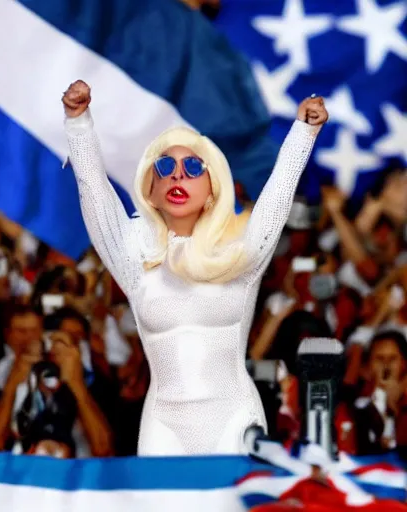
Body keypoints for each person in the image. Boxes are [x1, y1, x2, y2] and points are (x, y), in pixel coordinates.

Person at [61, 80, 328, 456]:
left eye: (192, 167)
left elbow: (278, 196)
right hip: (163, 426)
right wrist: (78, 122)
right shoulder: (134, 256)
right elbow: (93, 191)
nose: (177, 175)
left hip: (235, 418)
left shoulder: (240, 251)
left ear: (213, 188)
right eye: (166, 166)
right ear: (150, 189)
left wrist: (304, 132)